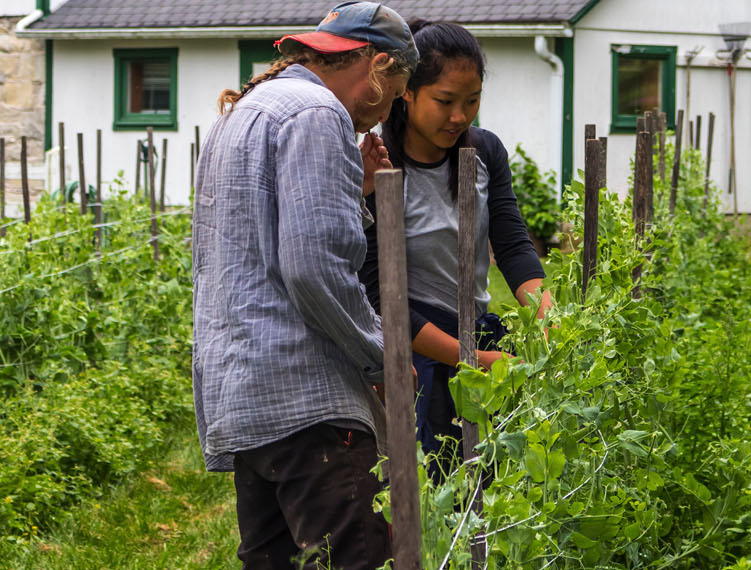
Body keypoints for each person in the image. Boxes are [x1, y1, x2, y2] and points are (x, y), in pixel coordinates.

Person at [192, 2, 415, 568]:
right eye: (395, 93)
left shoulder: (243, 114)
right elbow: (313, 266)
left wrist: (356, 192)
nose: (387, 112)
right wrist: (382, 357)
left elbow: (267, 244)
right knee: (357, 558)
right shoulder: (318, 113)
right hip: (307, 404)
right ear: (378, 66)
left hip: (245, 396)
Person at [357, 20, 552, 475]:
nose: (460, 117)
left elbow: (512, 244)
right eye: (444, 101)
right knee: (434, 480)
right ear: (407, 91)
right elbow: (382, 297)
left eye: (472, 101)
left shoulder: (484, 153)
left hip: (478, 333)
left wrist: (546, 316)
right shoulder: (377, 167)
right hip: (418, 350)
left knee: (494, 477)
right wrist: (472, 359)